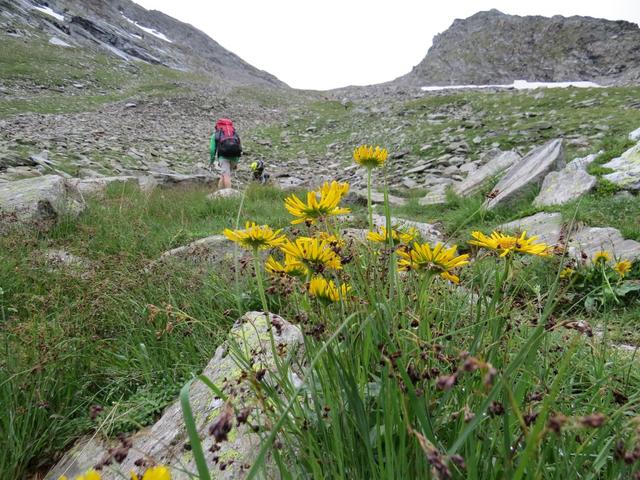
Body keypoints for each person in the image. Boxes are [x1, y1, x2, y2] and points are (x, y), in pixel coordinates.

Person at [210, 118, 242, 189]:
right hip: (235, 157)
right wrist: (236, 162)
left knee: (226, 175)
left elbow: (212, 150)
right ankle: (219, 192)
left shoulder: (215, 135)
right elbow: (239, 147)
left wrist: (212, 161)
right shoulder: (234, 134)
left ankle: (228, 194)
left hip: (223, 157)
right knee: (224, 175)